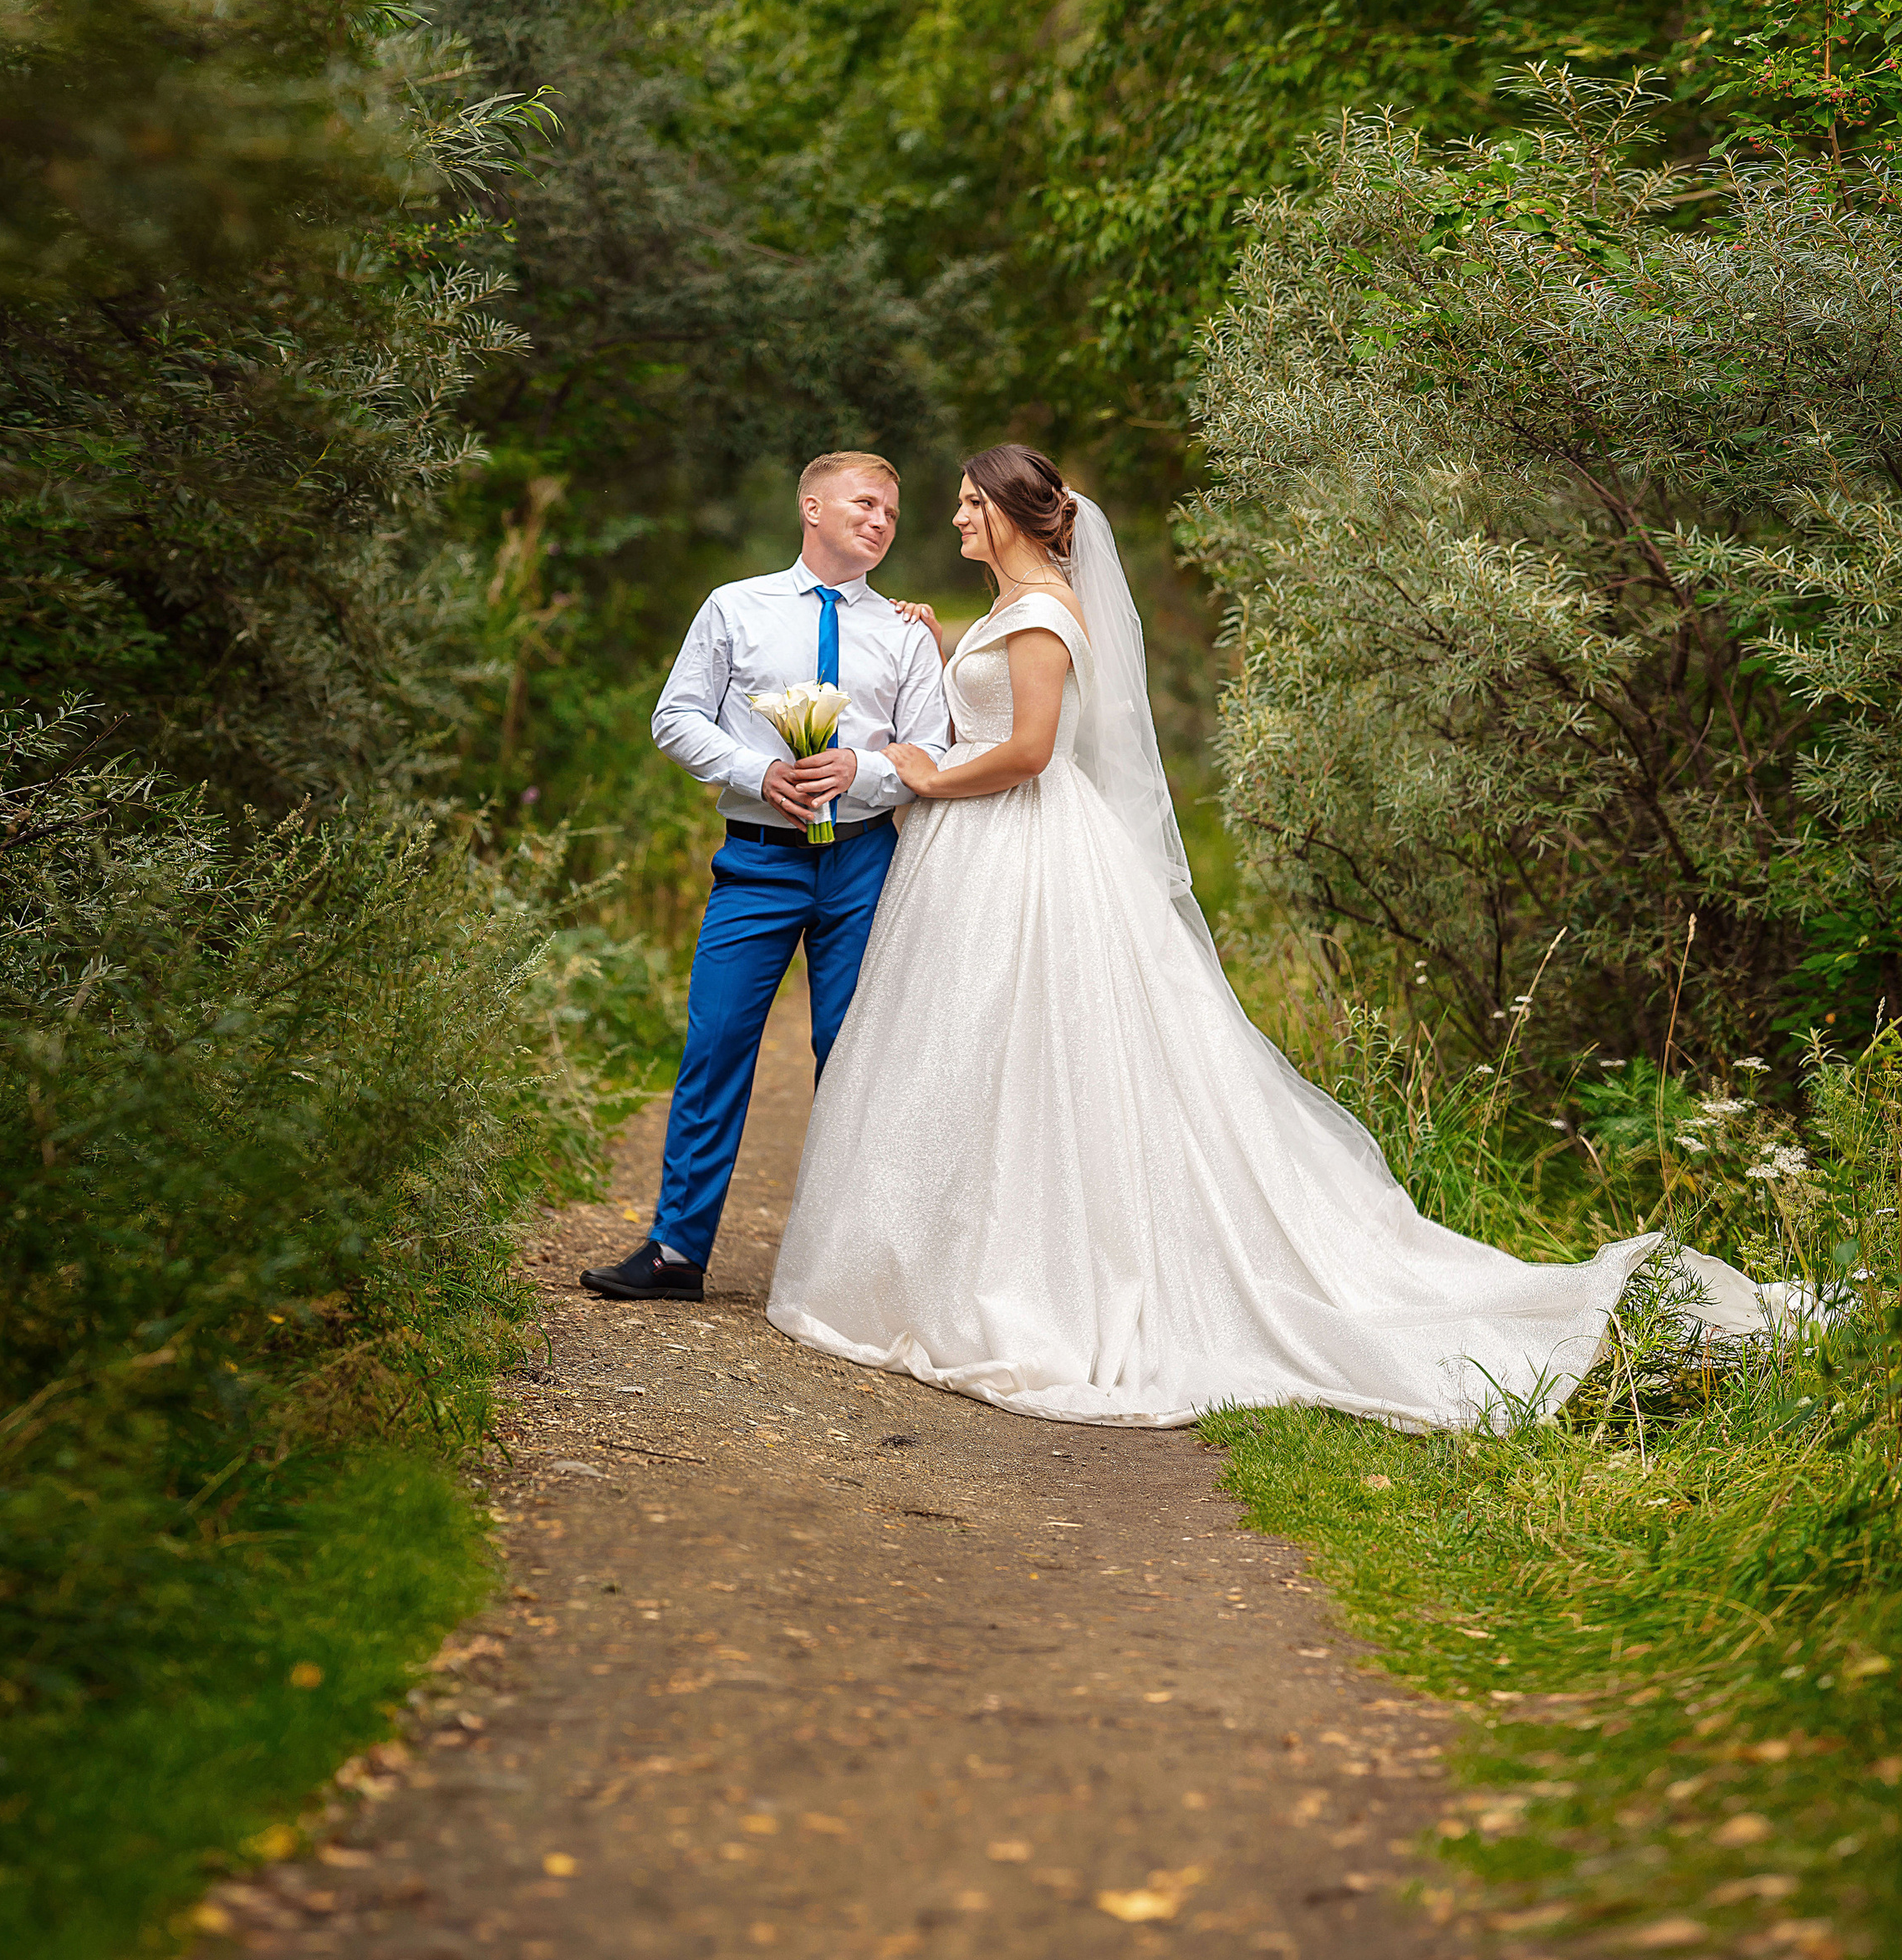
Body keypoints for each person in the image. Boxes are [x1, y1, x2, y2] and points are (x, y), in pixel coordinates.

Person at [767, 442, 1797, 1431]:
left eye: (965, 503)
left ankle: (1040, 1275)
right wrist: (946, 642)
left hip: (1021, 841)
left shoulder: (1040, 613)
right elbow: (1003, 690)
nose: (951, 517)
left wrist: (925, 769)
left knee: (1038, 1052)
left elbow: (1031, 750)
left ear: (1009, 514)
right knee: (989, 1056)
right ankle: (963, 1257)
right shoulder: (1013, 609)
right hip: (990, 855)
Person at [580, 451, 951, 1303]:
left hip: (865, 862)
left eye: (892, 513)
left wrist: (858, 769)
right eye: (864, 504)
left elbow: (930, 750)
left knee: (854, 1055)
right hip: (755, 862)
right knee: (715, 1046)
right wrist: (758, 774)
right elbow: (674, 718)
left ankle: (855, 1266)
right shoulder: (734, 609)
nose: (881, 521)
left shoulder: (903, 633)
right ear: (811, 508)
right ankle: (676, 1253)